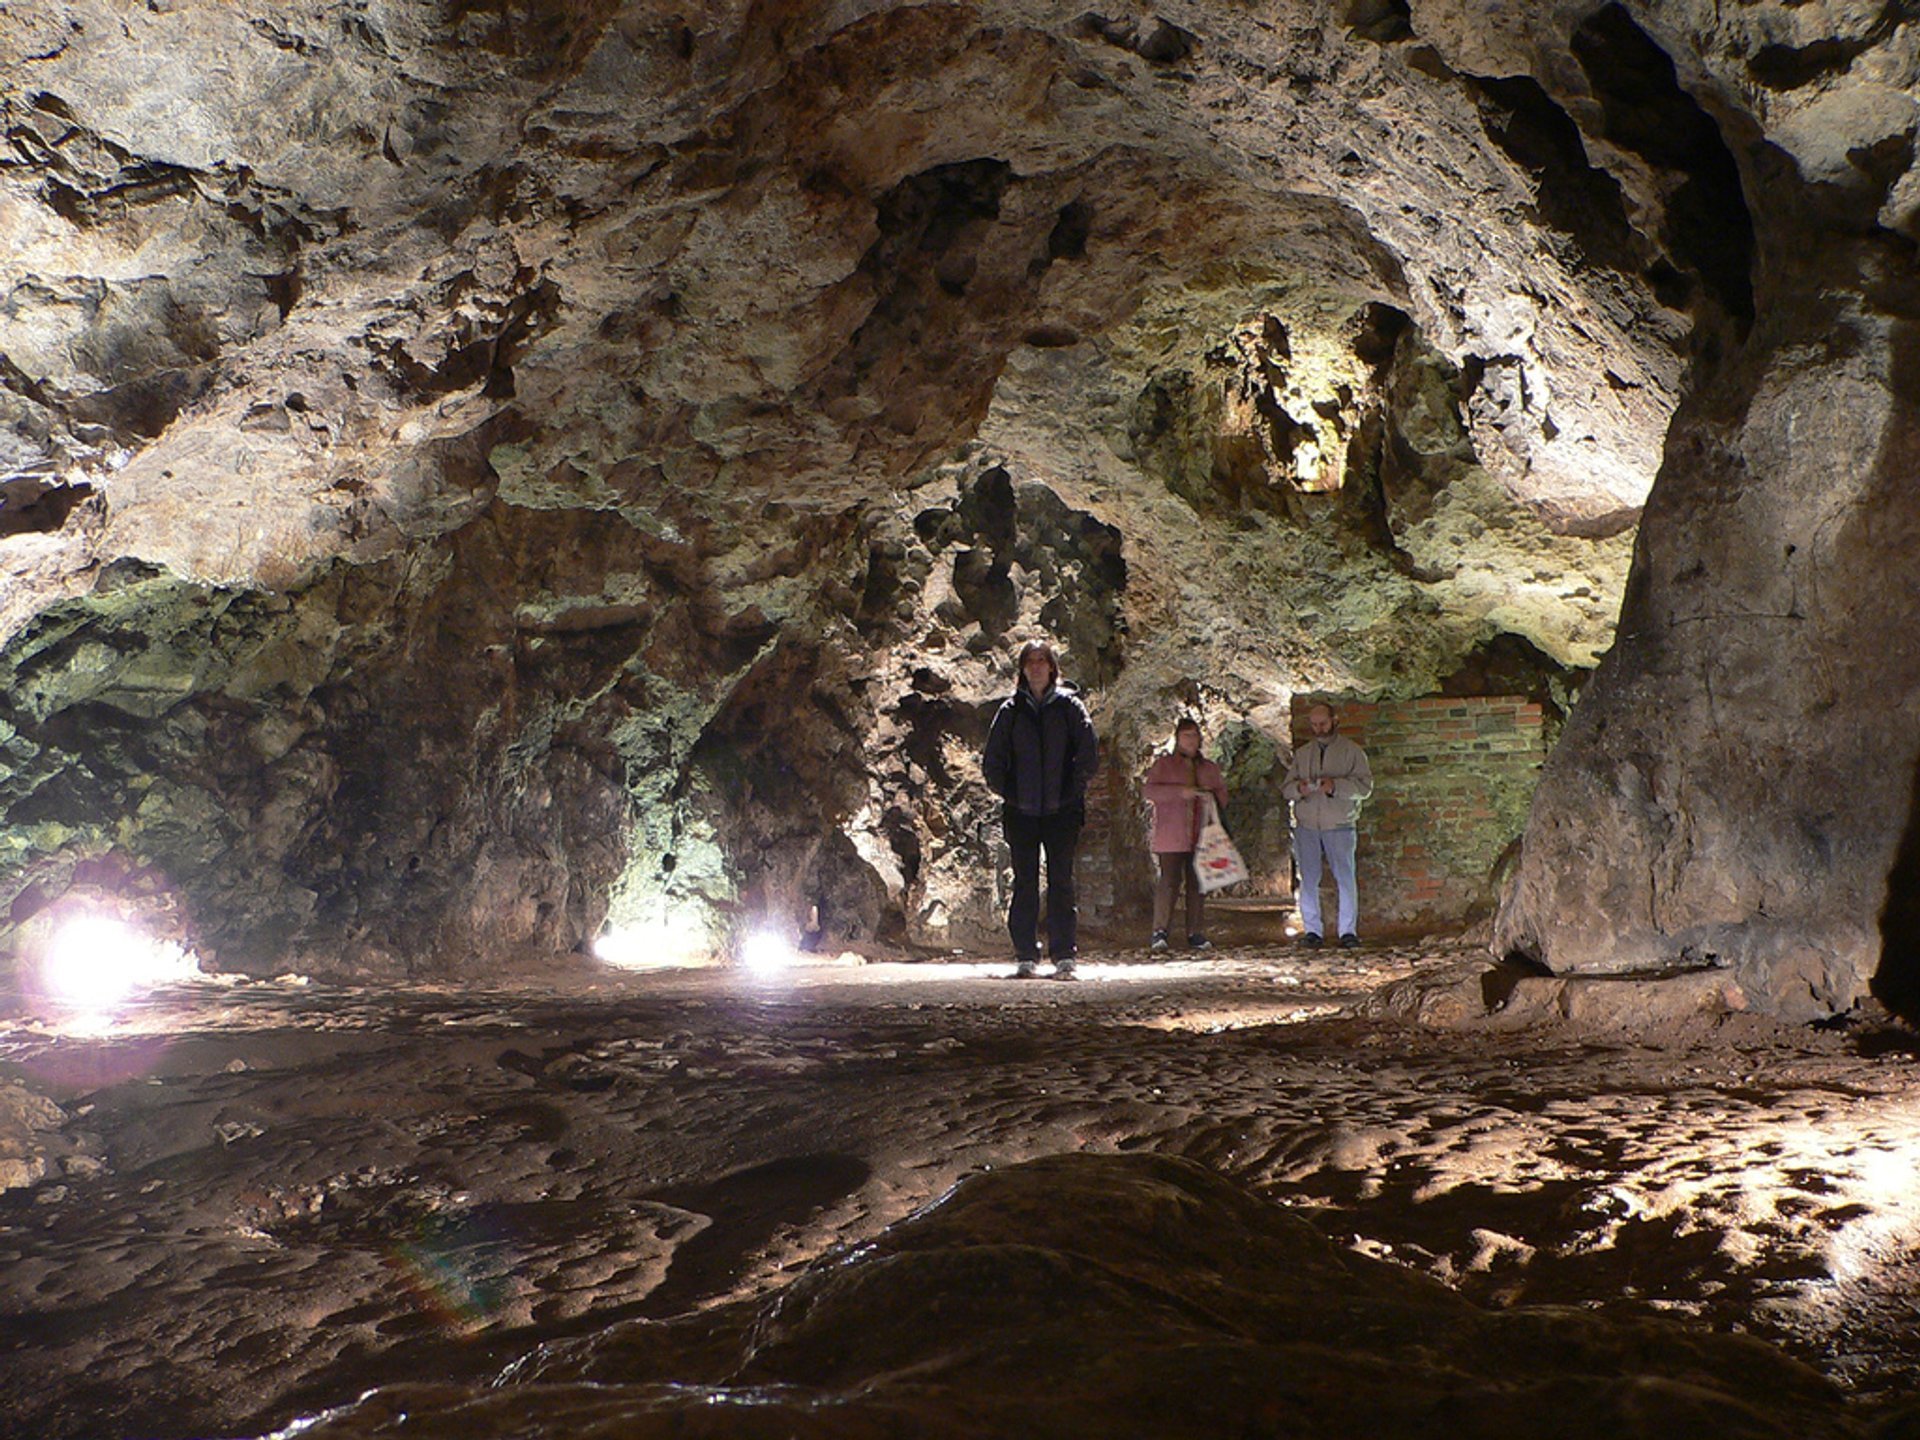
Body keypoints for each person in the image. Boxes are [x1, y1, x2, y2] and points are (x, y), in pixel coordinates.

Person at [981, 640, 1099, 979]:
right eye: (1030, 661)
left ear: (1051, 668)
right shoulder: (1010, 712)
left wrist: (1069, 793)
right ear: (1022, 668)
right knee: (1025, 882)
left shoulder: (1070, 708)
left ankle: (1064, 954)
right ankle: (1025, 954)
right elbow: (993, 760)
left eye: (1041, 660)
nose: (1035, 666)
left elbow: (1088, 755)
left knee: (1062, 881)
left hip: (1062, 812)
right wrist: (1012, 794)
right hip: (1022, 812)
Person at [1285, 701, 1373, 948]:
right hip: (1307, 826)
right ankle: (1313, 931)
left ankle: (1348, 932)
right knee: (1308, 879)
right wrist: (1299, 789)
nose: (1319, 728)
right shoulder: (1303, 755)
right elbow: (1286, 789)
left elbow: (1365, 788)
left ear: (1335, 720)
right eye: (1314, 724)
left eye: (1322, 723)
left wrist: (1335, 787)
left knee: (1345, 878)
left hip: (1340, 824)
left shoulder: (1352, 752)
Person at [1141, 717, 1230, 952]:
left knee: (1197, 884)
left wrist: (1209, 797)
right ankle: (1159, 931)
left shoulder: (1209, 768)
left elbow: (1223, 794)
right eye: (1186, 735)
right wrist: (1181, 793)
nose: (1191, 740)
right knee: (1168, 883)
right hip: (1171, 834)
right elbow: (1149, 791)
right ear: (1178, 739)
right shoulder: (1164, 765)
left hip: (1201, 835)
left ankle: (1195, 932)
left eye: (1194, 735)